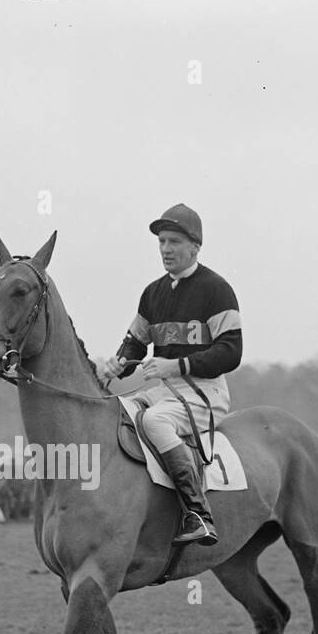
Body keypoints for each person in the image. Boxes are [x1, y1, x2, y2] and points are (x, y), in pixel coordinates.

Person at [98, 204, 243, 545]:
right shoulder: (153, 293)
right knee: (115, 413)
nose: (165, 249)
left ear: (195, 246)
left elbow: (231, 352)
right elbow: (135, 341)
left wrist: (176, 366)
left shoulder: (216, 289)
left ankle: (198, 514)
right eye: (162, 241)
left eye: (174, 241)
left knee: (154, 422)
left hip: (204, 392)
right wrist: (119, 361)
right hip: (162, 390)